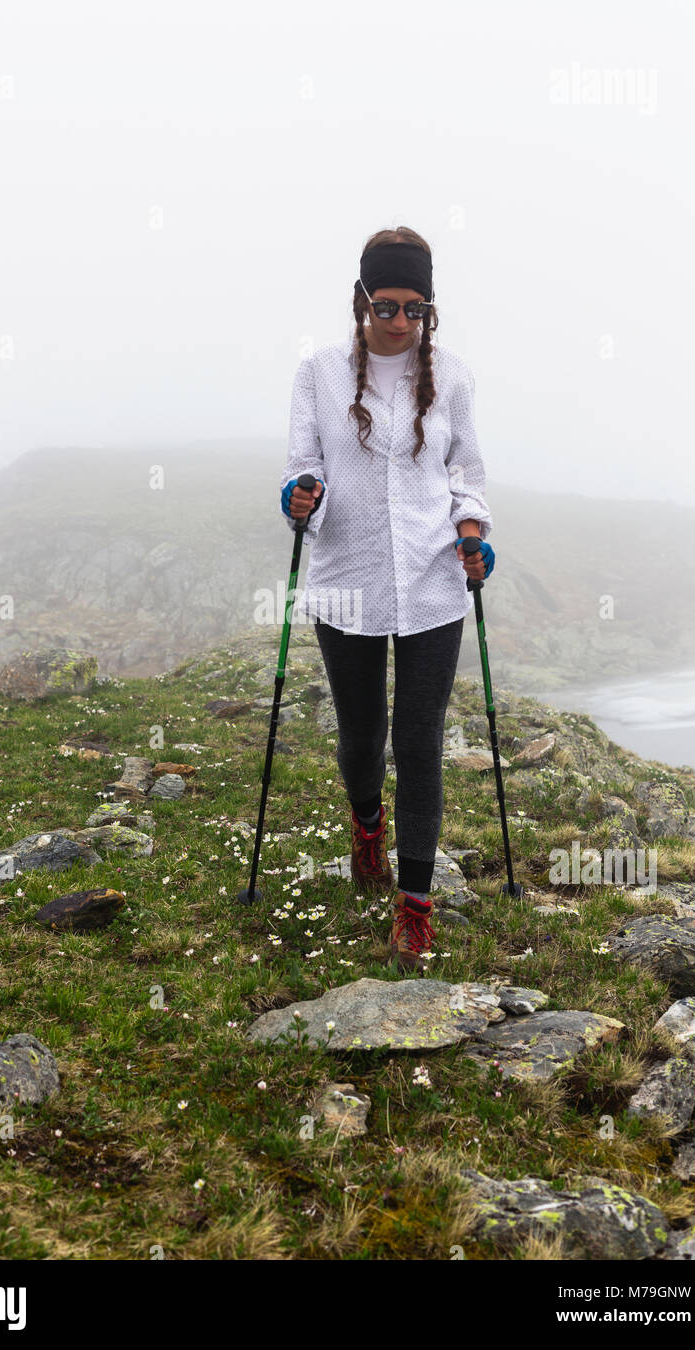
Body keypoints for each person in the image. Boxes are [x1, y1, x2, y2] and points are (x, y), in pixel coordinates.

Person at [279, 226, 495, 973]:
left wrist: (473, 531)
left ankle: (415, 907)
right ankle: (366, 822)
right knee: (362, 736)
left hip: (436, 581)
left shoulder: (457, 378)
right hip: (347, 578)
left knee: (420, 743)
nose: (399, 320)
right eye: (385, 304)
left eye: (415, 307)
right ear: (361, 300)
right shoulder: (319, 373)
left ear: (430, 309)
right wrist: (299, 495)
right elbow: (305, 462)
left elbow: (466, 472)